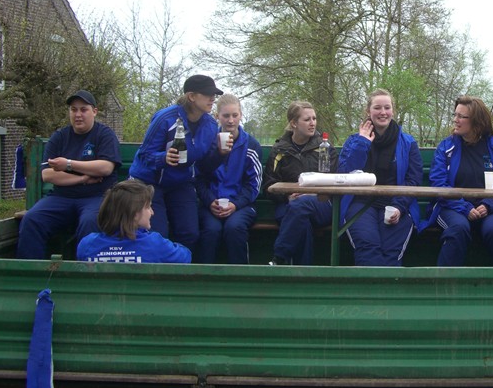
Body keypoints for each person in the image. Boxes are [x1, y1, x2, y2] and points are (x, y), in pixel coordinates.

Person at [16, 90, 121, 259]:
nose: (78, 115)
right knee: (31, 219)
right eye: (73, 110)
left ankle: (83, 272)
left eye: (83, 109)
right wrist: (83, 178)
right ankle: (30, 272)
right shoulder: (59, 137)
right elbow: (48, 175)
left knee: (90, 222)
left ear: (94, 111)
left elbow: (106, 167)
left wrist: (68, 164)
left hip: (97, 197)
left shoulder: (104, 135)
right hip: (61, 197)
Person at [128, 74, 227, 253]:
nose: (213, 98)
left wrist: (220, 154)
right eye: (207, 94)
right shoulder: (165, 118)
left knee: (190, 233)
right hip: (149, 183)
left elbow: (204, 166)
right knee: (157, 234)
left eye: (214, 95)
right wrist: (163, 158)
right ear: (191, 96)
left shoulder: (211, 125)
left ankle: (182, 267)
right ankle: (158, 270)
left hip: (181, 183)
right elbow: (144, 155)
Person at [420, 96, 493, 267]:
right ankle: (444, 281)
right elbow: (438, 184)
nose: (455, 120)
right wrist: (464, 207)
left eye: (461, 116)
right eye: (455, 115)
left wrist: (489, 205)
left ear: (476, 121)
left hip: (491, 208)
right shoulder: (446, 148)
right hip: (452, 206)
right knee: (458, 229)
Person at [338, 88, 422, 266]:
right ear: (368, 111)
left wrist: (399, 207)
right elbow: (345, 173)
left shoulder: (408, 143)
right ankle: (370, 284)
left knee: (391, 250)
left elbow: (413, 180)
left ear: (393, 111)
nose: (383, 112)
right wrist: (362, 143)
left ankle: (390, 284)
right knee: (368, 246)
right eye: (377, 108)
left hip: (396, 204)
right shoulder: (354, 141)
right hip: (360, 203)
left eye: (387, 107)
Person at [262, 101, 338, 265]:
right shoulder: (279, 150)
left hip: (321, 203)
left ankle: (280, 257)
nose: (312, 123)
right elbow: (269, 185)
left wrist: (311, 194)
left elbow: (333, 180)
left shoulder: (325, 148)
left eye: (314, 118)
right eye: (307, 119)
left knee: (300, 206)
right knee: (302, 223)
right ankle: (303, 273)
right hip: (287, 204)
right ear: (293, 123)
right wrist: (287, 196)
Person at [194, 94, 263, 264]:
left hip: (242, 205)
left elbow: (253, 185)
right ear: (217, 116)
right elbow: (199, 179)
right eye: (226, 116)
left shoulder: (251, 146)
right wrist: (210, 201)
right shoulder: (208, 142)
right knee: (211, 230)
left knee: (234, 228)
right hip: (211, 204)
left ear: (240, 115)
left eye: (235, 115)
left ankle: (240, 276)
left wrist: (235, 204)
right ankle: (204, 275)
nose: (231, 120)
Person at [77, 179, 191, 263]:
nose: (152, 212)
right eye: (148, 207)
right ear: (134, 213)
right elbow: (185, 257)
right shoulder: (155, 244)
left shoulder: (87, 244)